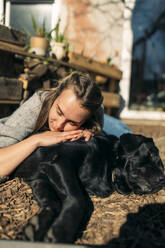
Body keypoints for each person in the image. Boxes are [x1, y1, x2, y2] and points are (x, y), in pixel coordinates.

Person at [0, 71, 131, 180]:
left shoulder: (97, 113)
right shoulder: (36, 106)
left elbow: (97, 126)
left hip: (99, 119)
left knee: (126, 136)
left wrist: (91, 131)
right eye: (59, 112)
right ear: (56, 94)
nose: (58, 125)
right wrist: (37, 140)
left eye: (71, 122)